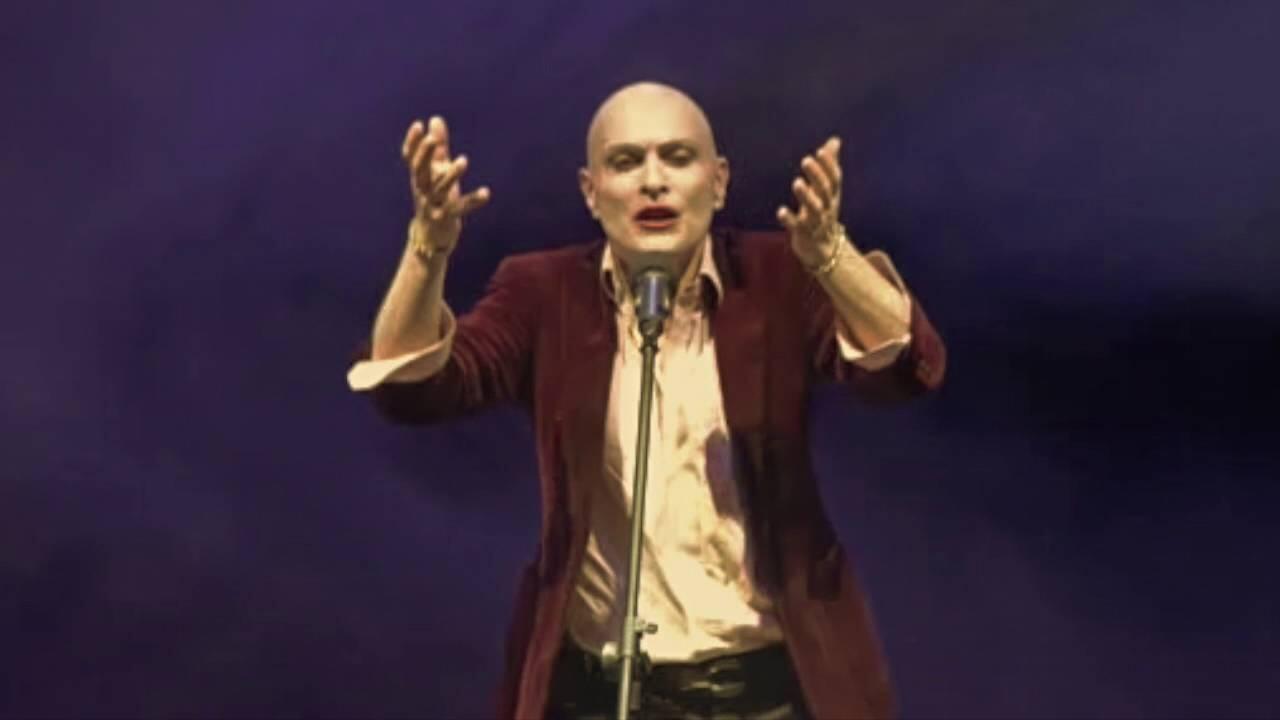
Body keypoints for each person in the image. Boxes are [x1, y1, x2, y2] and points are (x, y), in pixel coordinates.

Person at [347, 81, 946, 720]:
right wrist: (428, 247)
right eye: (626, 162)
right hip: (597, 696)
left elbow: (904, 366)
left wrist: (830, 257)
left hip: (767, 695)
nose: (653, 182)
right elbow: (410, 388)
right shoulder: (542, 293)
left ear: (718, 183)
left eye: (678, 158)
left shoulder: (777, 279)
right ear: (591, 191)